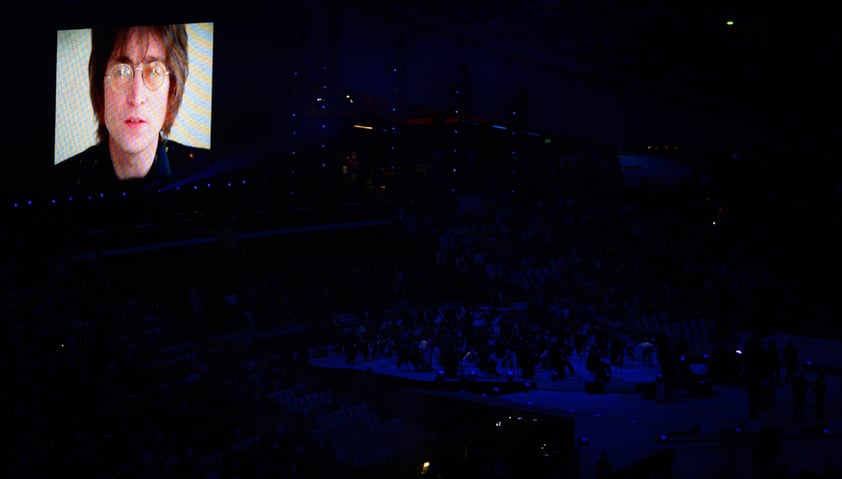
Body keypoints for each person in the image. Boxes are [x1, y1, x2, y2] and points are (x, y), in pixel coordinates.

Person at [54, 25, 208, 192]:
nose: (136, 98)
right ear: (100, 89)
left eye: (154, 71)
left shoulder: (206, 173)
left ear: (171, 91)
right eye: (121, 72)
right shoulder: (57, 184)